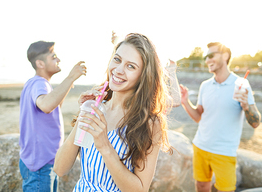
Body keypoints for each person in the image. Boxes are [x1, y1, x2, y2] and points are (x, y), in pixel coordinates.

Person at [53, 33, 174, 191]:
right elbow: (59, 168)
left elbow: (140, 189)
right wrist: (85, 114)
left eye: (131, 66)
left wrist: (105, 146)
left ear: (143, 76)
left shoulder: (149, 123)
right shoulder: (96, 108)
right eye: (117, 59)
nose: (118, 70)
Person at [179, 42, 261, 192]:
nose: (207, 60)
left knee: (226, 189)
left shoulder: (241, 85)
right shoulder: (205, 85)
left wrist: (246, 107)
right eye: (206, 57)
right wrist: (185, 102)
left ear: (225, 56)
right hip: (200, 146)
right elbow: (198, 117)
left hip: (224, 151)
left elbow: (255, 122)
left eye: (211, 55)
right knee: (201, 185)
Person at [19, 41, 87, 192]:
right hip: (40, 165)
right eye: (53, 56)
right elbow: (46, 105)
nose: (58, 60)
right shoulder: (39, 83)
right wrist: (70, 78)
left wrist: (67, 85)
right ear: (40, 63)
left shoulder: (37, 84)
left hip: (45, 162)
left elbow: (52, 107)